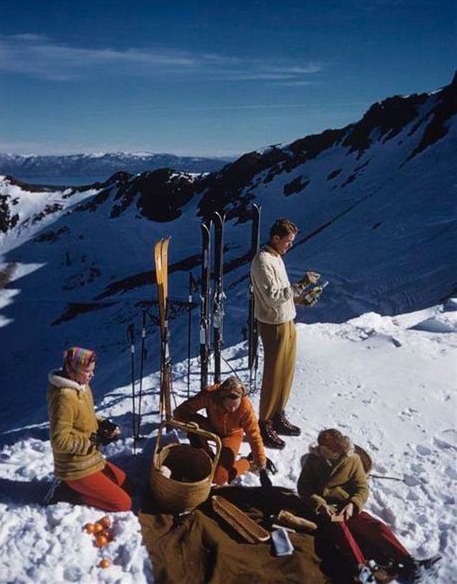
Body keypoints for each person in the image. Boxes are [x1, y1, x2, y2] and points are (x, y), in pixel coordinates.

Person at [297, 428, 439, 583]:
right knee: (339, 526)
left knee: (375, 526)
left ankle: (410, 563)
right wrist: (319, 504)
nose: (327, 452)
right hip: (327, 509)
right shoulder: (314, 460)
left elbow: (362, 488)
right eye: (324, 448)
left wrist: (353, 504)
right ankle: (361, 568)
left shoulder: (353, 460)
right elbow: (304, 487)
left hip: (347, 506)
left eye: (332, 449)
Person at [250, 217, 320, 448]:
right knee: (274, 373)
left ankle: (278, 414)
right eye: (287, 241)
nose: (290, 245)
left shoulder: (276, 258)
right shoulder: (262, 261)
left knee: (286, 371)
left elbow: (282, 294)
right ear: (276, 238)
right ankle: (265, 422)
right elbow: (272, 298)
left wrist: (301, 299)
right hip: (273, 324)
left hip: (287, 319)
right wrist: (300, 285)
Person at [47, 347, 133, 511]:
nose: (92, 375)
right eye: (87, 371)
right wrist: (90, 442)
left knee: (129, 486)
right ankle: (67, 492)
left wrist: (102, 424)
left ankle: (78, 487)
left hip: (90, 458)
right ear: (72, 370)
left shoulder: (81, 386)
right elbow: (59, 440)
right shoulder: (63, 397)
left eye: (92, 371)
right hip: (74, 467)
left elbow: (84, 416)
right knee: (123, 504)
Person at [173, 376, 271, 486]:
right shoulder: (211, 395)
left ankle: (248, 461)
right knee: (204, 464)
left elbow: (254, 436)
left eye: (236, 406)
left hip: (232, 435)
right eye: (229, 406)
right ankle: (207, 453)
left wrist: (262, 467)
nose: (233, 410)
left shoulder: (246, 408)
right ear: (222, 398)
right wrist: (190, 427)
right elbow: (181, 411)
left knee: (220, 478)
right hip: (211, 427)